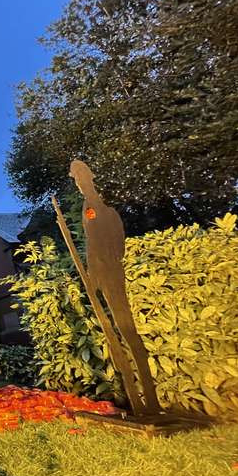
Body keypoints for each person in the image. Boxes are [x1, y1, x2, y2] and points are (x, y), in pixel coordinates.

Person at [69, 160, 160, 414]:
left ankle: (146, 399)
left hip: (109, 272)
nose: (78, 183)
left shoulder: (94, 208)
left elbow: (96, 242)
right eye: (77, 178)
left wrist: (95, 272)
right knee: (121, 327)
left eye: (79, 177)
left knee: (124, 327)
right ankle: (142, 397)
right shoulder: (100, 209)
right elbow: (112, 243)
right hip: (111, 270)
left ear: (85, 178)